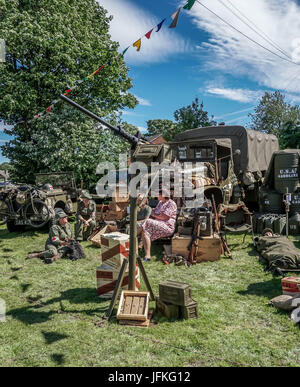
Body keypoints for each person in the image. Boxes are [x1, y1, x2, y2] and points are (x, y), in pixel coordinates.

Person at [141, 189, 177, 262]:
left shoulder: (171, 203)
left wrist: (153, 214)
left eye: (158, 194)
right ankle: (147, 256)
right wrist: (149, 210)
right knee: (145, 232)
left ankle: (132, 237)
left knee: (146, 222)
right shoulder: (160, 202)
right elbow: (155, 212)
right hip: (159, 225)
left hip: (167, 227)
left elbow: (164, 217)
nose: (156, 195)